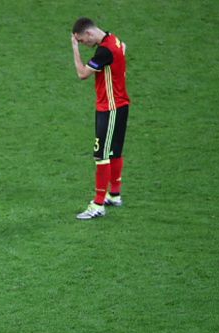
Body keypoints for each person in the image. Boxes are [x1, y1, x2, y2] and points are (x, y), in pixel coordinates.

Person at [71, 17, 130, 219]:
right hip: (119, 105)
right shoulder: (112, 39)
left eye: (81, 41)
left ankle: (98, 205)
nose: (82, 44)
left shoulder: (104, 51)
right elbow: (123, 47)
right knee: (114, 151)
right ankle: (113, 194)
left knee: (101, 155)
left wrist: (75, 50)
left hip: (110, 108)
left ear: (88, 33)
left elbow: (82, 74)